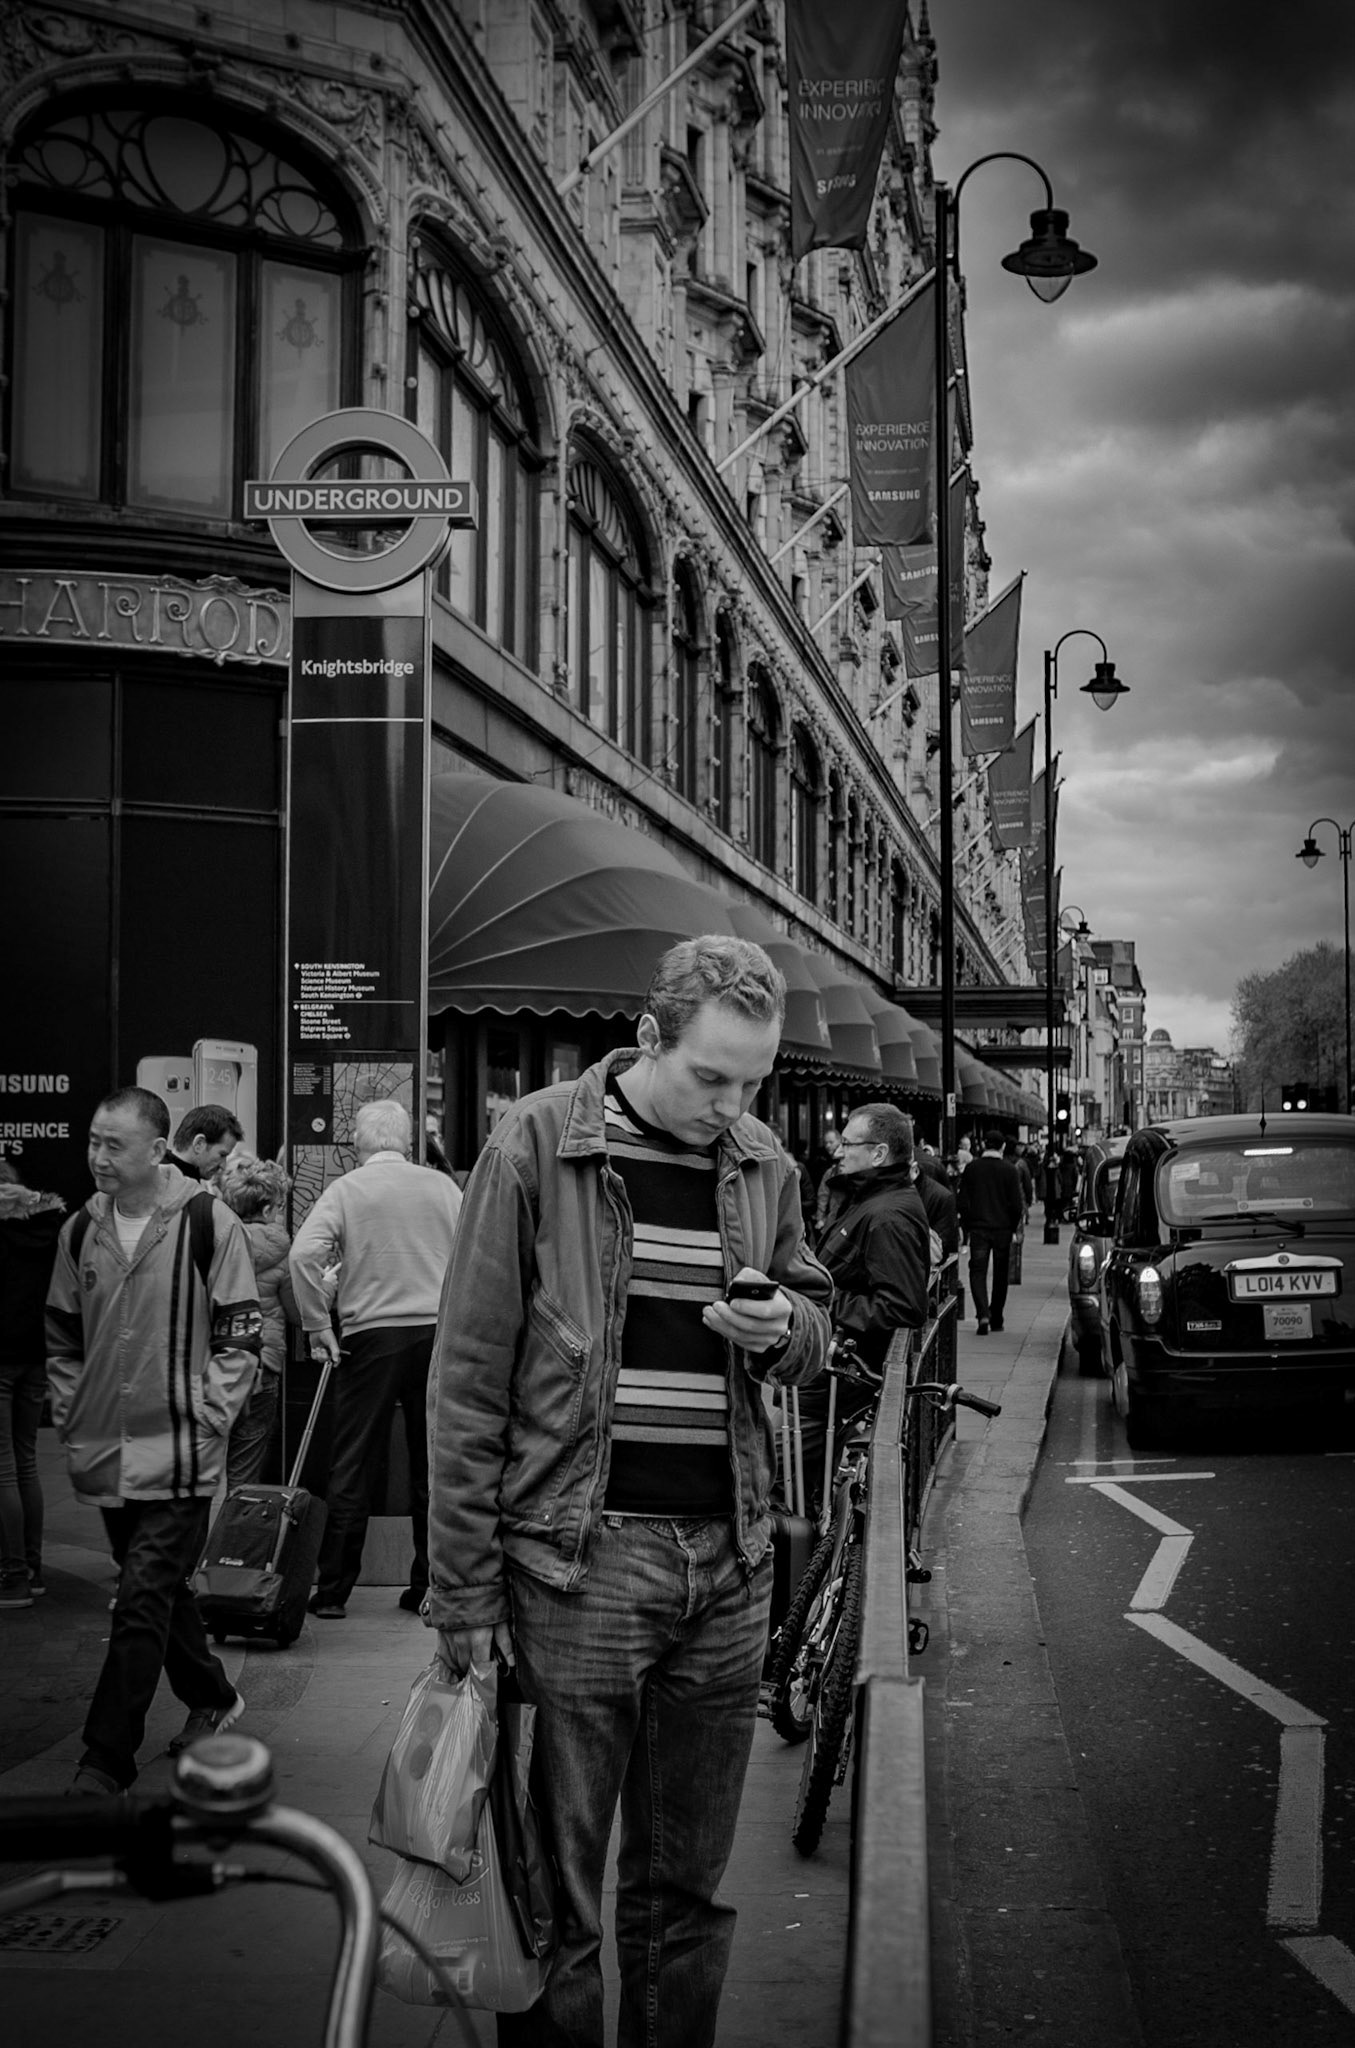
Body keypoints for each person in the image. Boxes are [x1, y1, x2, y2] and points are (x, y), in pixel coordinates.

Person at [425, 934, 833, 2048]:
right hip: (576, 1563)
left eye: (754, 1079)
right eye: (712, 1076)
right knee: (556, 1903)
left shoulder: (762, 1164)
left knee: (686, 1895)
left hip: (730, 1565)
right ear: (648, 1037)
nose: (734, 1104)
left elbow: (812, 1317)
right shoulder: (535, 1140)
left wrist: (784, 1330)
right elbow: (465, 1380)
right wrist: (462, 1594)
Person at [45, 1087, 261, 1791]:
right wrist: (73, 1409)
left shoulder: (207, 1221)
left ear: (156, 1149)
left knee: (138, 1598)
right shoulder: (79, 1230)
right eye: (91, 1140)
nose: (96, 1156)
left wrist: (211, 1413)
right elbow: (62, 1336)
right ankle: (214, 1696)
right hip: (109, 1450)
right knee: (160, 1597)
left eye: (113, 1144)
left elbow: (240, 1331)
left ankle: (104, 1756)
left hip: (182, 1451)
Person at [289, 1099, 462, 1619]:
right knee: (432, 1462)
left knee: (352, 1460)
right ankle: (426, 1584)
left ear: (358, 1144)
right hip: (436, 1334)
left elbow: (303, 1256)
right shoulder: (443, 1187)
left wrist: (319, 1325)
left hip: (370, 1337)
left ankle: (335, 1590)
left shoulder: (345, 1190)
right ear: (407, 1142)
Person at [801, 1104, 932, 1509]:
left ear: (877, 1153)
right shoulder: (872, 1202)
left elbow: (903, 1307)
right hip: (829, 1381)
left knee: (781, 1473)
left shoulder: (887, 1215)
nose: (839, 1152)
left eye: (847, 1143)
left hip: (837, 1383)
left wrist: (826, 1301)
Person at [0, 1160, 66, 1608]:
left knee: (3, 1467)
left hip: (0, 1358)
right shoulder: (51, 1226)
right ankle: (34, 1568)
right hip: (36, 1354)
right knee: (24, 1462)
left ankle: (12, 1576)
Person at [216, 1155, 297, 1488]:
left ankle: (203, 1537)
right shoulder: (282, 1252)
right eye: (278, 1206)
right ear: (266, 1211)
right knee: (245, 1466)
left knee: (205, 1466)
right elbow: (296, 1313)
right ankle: (235, 1535)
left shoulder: (215, 1242)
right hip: (262, 1365)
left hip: (218, 1361)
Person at [958, 1129, 1026, 1336]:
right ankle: (997, 1316)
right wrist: (1014, 1227)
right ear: (1002, 1146)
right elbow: (1016, 1204)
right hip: (1002, 1229)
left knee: (977, 1271)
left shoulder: (972, 1168)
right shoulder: (1009, 1170)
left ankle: (982, 1313)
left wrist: (968, 1226)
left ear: (984, 1145)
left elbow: (962, 1201)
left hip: (979, 1228)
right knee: (1000, 1273)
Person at [169, 1103, 244, 1182]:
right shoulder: (184, 1189)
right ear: (199, 1144)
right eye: (222, 1155)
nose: (223, 1166)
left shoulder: (161, 1176)